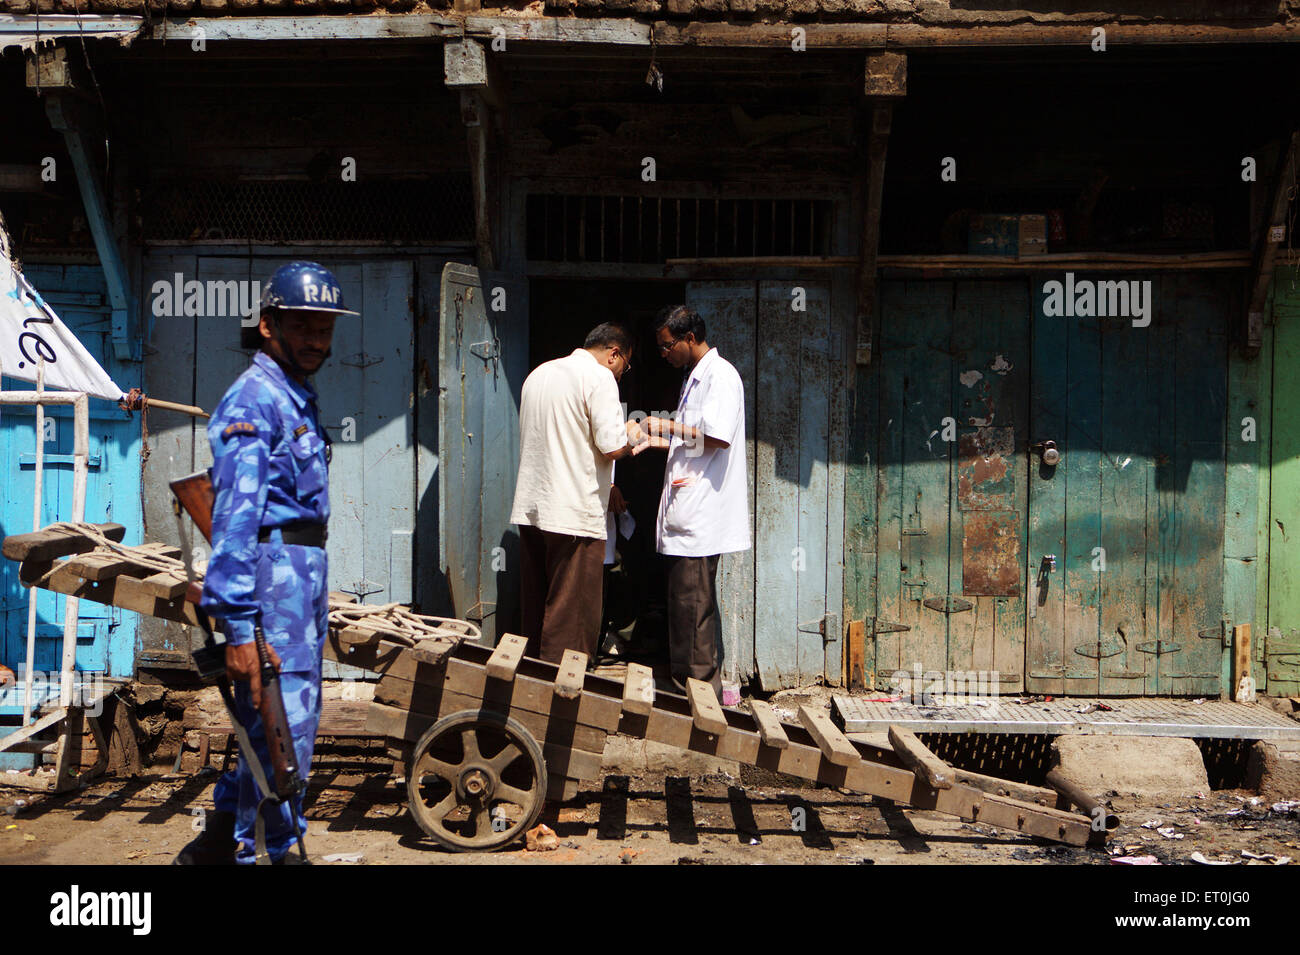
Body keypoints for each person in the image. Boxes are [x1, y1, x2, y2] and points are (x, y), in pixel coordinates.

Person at [174, 261, 355, 865]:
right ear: (267, 324)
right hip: (268, 585)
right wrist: (239, 626)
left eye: (324, 330)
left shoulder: (293, 394)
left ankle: (216, 846)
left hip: (297, 580)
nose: (315, 341)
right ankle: (268, 854)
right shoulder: (254, 399)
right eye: (302, 326)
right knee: (283, 735)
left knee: (270, 726)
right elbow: (234, 523)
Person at [510, 323, 648, 664]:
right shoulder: (599, 378)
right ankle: (561, 700)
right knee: (571, 617)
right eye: (625, 367)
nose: (621, 375)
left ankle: (530, 684)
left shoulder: (539, 374)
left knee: (539, 606)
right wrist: (633, 432)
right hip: (573, 515)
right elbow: (612, 445)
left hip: (532, 509)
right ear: (614, 354)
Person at [642, 305, 750, 697]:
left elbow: (717, 436)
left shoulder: (720, 376)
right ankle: (688, 690)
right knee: (686, 607)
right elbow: (695, 439)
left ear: (689, 338)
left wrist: (664, 424)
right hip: (690, 512)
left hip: (702, 516)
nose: (665, 353)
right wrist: (656, 441)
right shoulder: (696, 377)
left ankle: (698, 695)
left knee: (693, 609)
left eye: (668, 345)